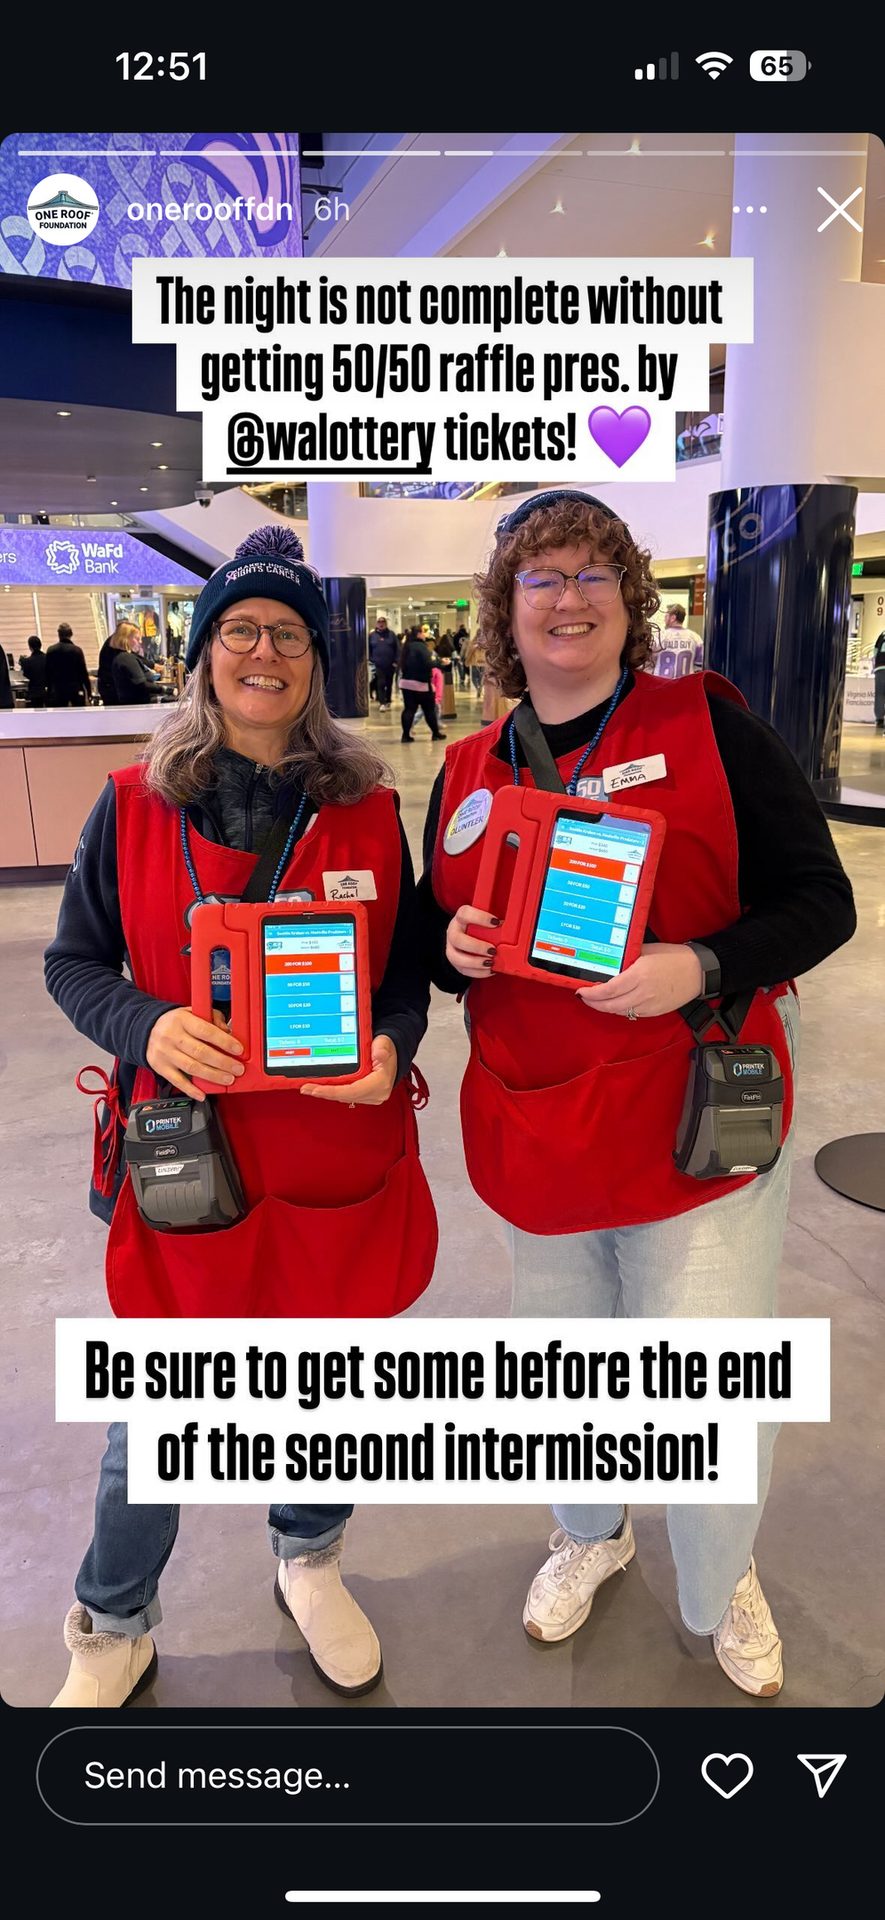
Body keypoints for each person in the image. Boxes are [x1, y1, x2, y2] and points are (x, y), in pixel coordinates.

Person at [420, 487, 856, 1698]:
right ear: (505, 613)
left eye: (593, 574)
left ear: (629, 600)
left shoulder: (709, 728)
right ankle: (592, 1531)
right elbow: (426, 925)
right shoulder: (465, 770)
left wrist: (702, 966)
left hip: (688, 1111)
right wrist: (444, 946)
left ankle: (722, 1574)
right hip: (538, 1110)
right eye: (542, 578)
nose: (568, 597)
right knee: (566, 1355)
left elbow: (825, 901)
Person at [44, 525, 438, 1709]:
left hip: (335, 1155)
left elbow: (406, 973)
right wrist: (147, 1027)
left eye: (287, 634)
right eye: (240, 630)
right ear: (207, 653)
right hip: (190, 1165)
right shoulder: (129, 807)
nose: (264, 652)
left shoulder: (367, 810)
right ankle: (114, 1620)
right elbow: (75, 967)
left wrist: (389, 1044)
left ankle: (307, 1556)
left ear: (317, 663)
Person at [399, 624, 447, 742]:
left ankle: (405, 735)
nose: (425, 635)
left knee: (409, 710)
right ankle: (436, 734)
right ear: (419, 634)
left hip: (406, 684)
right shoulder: (421, 646)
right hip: (422, 685)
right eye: (423, 632)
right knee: (429, 710)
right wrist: (441, 664)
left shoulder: (406, 646)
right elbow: (427, 663)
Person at [44, 622, 92, 707]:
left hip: (57, 691)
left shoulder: (51, 650)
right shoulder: (77, 650)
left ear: (59, 635)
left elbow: (47, 673)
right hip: (75, 690)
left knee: (59, 718)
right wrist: (89, 692)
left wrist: (48, 691)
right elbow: (83, 673)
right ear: (71, 634)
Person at [109, 628, 162, 705]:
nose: (140, 642)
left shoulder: (124, 657)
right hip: (136, 706)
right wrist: (165, 689)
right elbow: (141, 684)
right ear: (126, 639)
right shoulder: (126, 658)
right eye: (137, 639)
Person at [97, 621, 141, 706]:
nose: (139, 642)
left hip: (110, 686)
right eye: (136, 638)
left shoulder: (114, 644)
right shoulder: (118, 651)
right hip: (111, 687)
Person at [369, 615, 398, 710]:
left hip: (390, 664)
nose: (381, 624)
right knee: (380, 683)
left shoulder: (391, 635)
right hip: (378, 664)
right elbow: (368, 648)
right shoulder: (372, 636)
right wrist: (371, 659)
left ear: (386, 624)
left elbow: (397, 649)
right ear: (377, 624)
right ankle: (382, 702)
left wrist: (396, 661)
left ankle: (388, 700)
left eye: (383, 622)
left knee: (389, 683)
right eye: (379, 622)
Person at [18, 635, 47, 707]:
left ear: (30, 647)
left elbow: (26, 675)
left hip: (34, 693)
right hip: (47, 692)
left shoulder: (27, 661)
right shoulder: (48, 658)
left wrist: (23, 663)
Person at [873, 629, 885, 731]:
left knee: (880, 695)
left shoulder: (882, 634)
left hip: (880, 667)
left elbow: (875, 651)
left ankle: (880, 720)